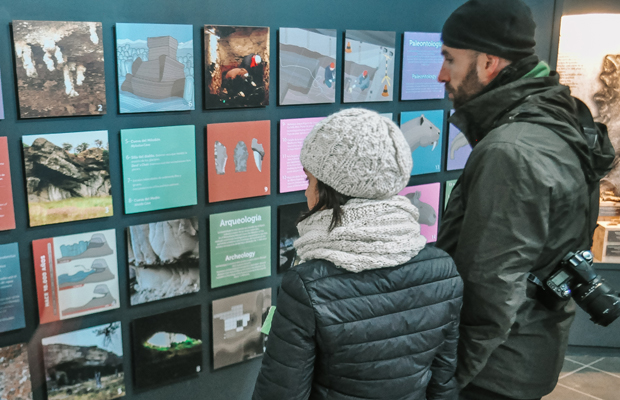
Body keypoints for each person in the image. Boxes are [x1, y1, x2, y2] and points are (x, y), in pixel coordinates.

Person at [436, 1, 616, 400]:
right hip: (532, 348)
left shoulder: (510, 150)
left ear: (489, 62)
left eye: (450, 58)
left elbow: (490, 288)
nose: (441, 74)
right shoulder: (562, 118)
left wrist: (447, 380)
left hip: (492, 372)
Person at [252, 108, 463, 400]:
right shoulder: (443, 271)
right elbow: (443, 384)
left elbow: (281, 394)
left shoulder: (307, 285)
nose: (306, 193)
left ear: (333, 189)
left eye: (309, 180)